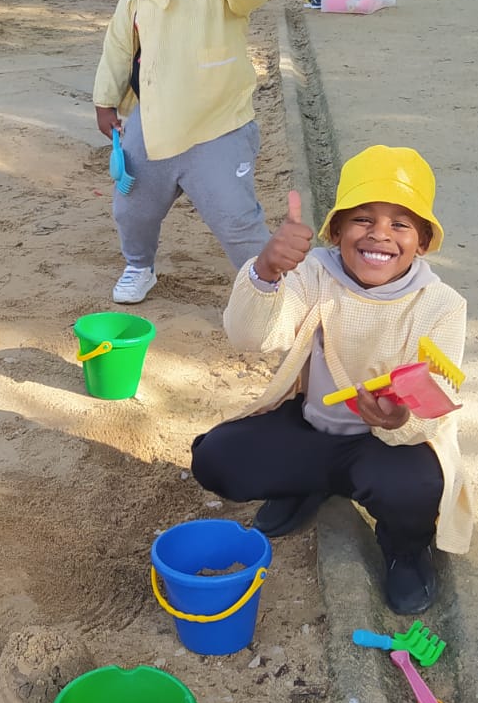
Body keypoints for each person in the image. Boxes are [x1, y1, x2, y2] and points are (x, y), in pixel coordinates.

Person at [191, 146, 472, 615]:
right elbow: (251, 336)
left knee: (417, 486)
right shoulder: (312, 273)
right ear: (336, 230)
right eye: (362, 219)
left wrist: (399, 419)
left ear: (423, 242)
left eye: (400, 224)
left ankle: (405, 549)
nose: (379, 234)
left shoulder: (441, 305)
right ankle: (306, 485)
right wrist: (265, 272)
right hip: (312, 427)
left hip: (384, 448)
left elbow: (436, 400)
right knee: (217, 458)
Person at [93, 0, 272, 305]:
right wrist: (105, 99)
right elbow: (120, 39)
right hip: (151, 123)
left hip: (217, 127)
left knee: (236, 218)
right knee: (132, 207)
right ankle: (138, 265)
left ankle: (269, 287)